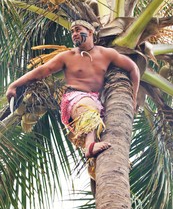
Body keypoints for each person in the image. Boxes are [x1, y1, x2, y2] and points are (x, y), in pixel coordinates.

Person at [6, 20, 140, 161]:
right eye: (72, 32)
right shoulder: (67, 56)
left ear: (90, 32)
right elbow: (42, 71)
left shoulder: (107, 54)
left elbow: (133, 69)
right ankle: (89, 145)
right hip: (75, 99)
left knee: (104, 134)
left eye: (77, 30)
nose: (74, 34)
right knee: (88, 107)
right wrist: (14, 85)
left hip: (97, 103)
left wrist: (134, 96)